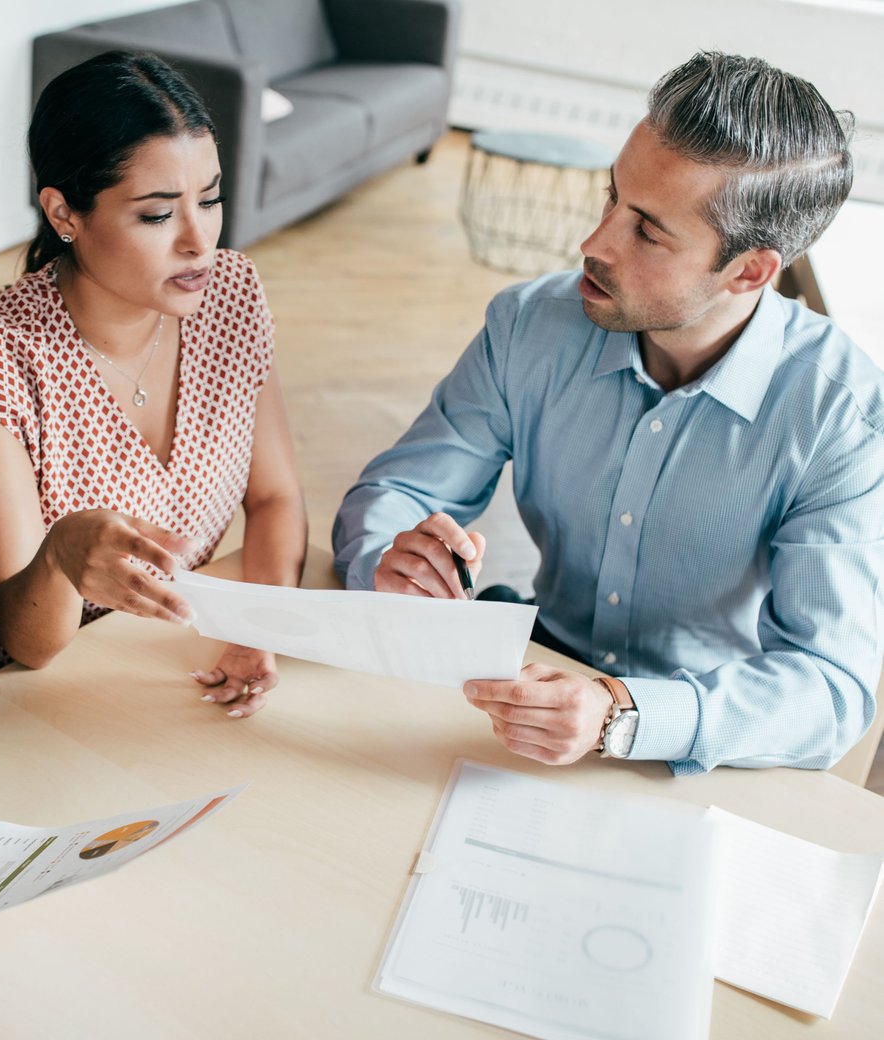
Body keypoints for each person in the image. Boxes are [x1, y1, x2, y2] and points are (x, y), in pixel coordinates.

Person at [333, 51, 883, 775]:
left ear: (749, 271)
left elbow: (828, 686)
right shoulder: (528, 325)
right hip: (526, 684)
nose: (591, 245)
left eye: (648, 232)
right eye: (611, 197)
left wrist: (622, 714)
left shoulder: (842, 417)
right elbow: (397, 492)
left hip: (702, 740)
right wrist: (390, 562)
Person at [0, 51, 307, 715]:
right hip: (3, 691)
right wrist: (60, 558)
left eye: (209, 200)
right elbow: (26, 642)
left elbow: (276, 497)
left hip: (154, 658)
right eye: (157, 215)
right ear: (64, 213)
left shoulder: (229, 294)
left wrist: (257, 630)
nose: (199, 241)